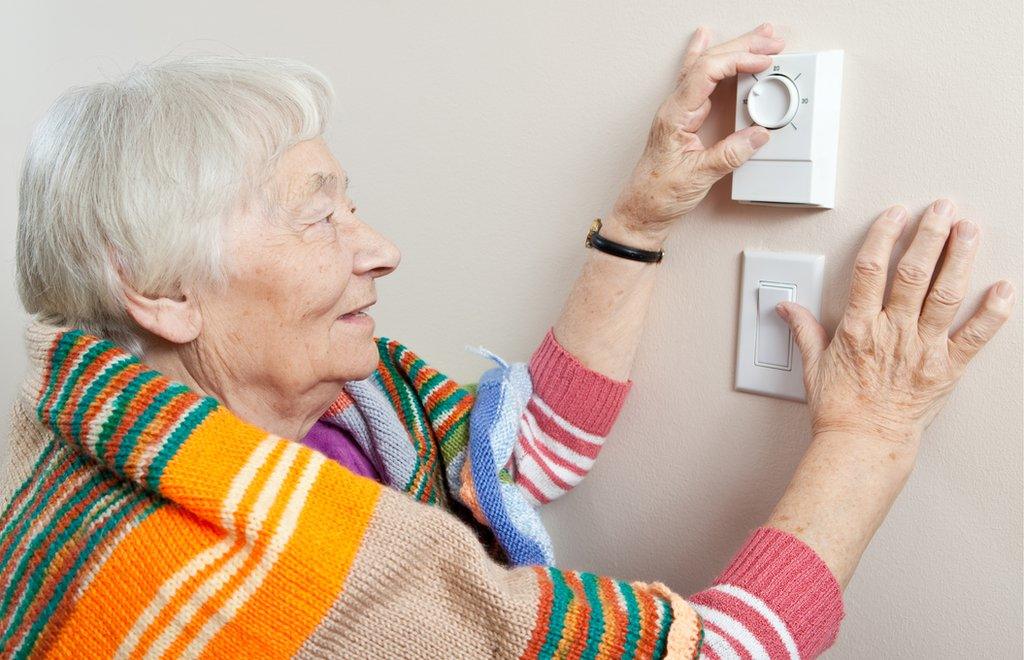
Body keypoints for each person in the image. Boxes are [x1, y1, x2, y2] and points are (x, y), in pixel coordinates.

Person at [2, 22, 1014, 659]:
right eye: (319, 219)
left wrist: (641, 221)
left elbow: (520, 459)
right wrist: (871, 435)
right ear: (158, 290)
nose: (383, 250)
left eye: (354, 205)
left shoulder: (331, 415)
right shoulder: (266, 593)